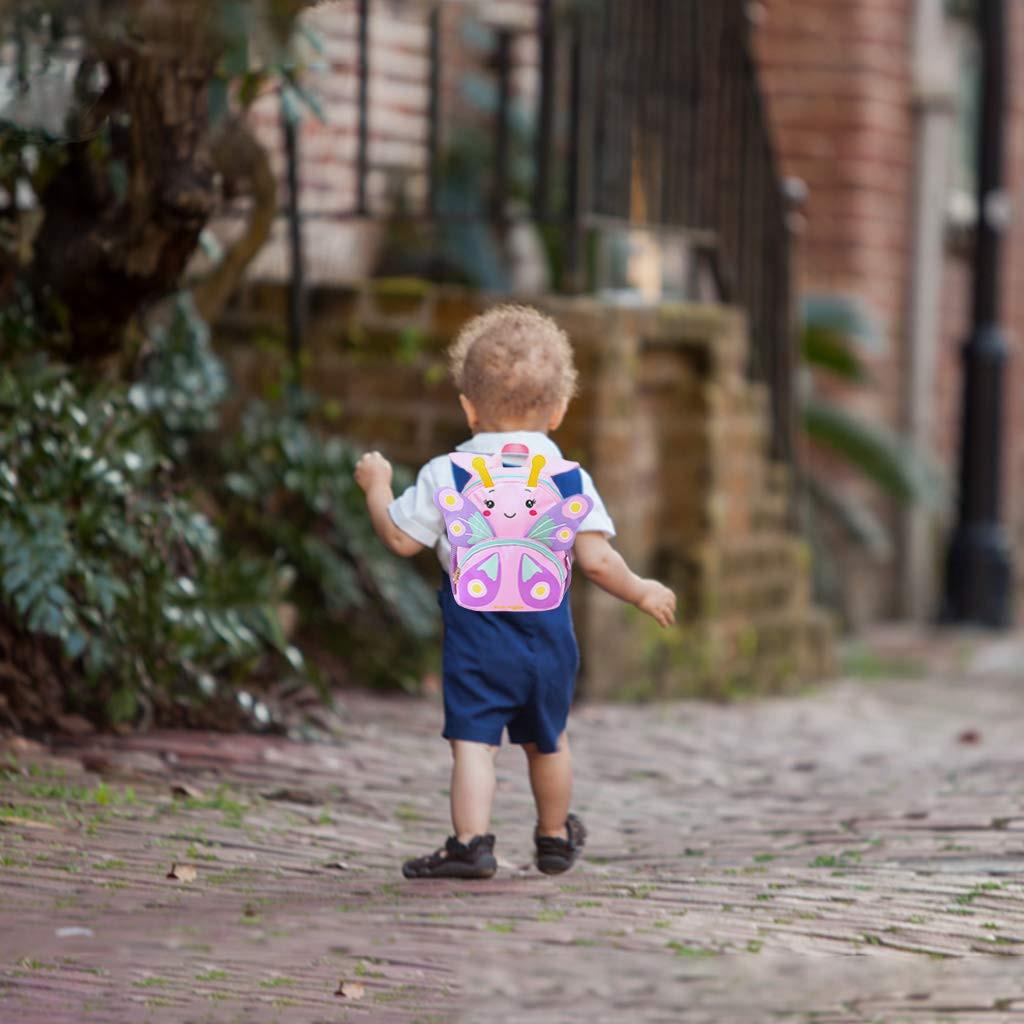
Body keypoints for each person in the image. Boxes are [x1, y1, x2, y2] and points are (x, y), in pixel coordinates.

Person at [354, 304, 676, 879]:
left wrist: (378, 487)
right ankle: (553, 836)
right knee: (547, 740)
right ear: (557, 412)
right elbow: (598, 561)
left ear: (469, 407)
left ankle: (471, 844)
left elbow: (401, 539)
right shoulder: (570, 478)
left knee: (474, 743)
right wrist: (642, 590)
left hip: (477, 637)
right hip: (548, 637)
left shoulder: (444, 472)